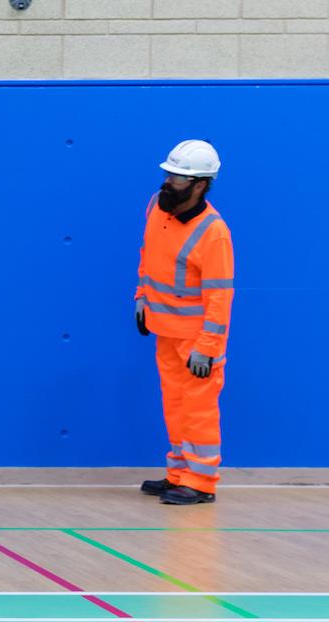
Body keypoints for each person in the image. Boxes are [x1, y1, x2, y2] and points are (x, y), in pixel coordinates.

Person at [134, 139, 233, 506]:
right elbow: (148, 256)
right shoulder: (156, 209)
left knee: (199, 409)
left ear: (200, 185)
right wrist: (141, 299)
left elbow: (220, 296)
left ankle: (201, 482)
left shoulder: (214, 233)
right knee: (174, 404)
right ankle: (178, 474)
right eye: (168, 174)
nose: (168, 183)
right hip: (165, 331)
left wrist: (207, 349)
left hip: (196, 343)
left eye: (178, 178)